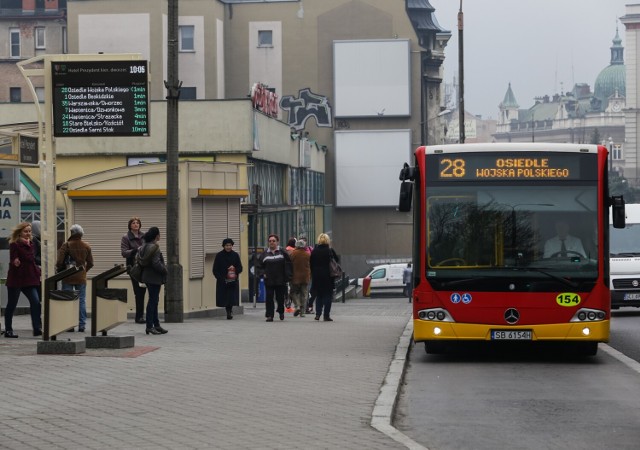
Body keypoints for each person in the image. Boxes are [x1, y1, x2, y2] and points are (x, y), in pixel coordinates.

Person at [3, 222, 42, 338]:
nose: (28, 233)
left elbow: (34, 259)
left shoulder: (32, 243)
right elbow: (16, 258)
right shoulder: (15, 244)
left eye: (29, 231)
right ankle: (8, 330)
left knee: (35, 302)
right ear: (20, 232)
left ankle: (37, 329)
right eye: (26, 231)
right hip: (17, 279)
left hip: (30, 278)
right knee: (11, 305)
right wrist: (15, 261)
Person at [56, 224, 94, 333]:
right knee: (81, 300)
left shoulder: (66, 245)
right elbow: (91, 263)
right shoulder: (86, 246)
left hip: (67, 276)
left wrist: (60, 270)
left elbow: (59, 262)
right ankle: (82, 325)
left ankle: (69, 325)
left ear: (71, 233)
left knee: (68, 300)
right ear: (81, 234)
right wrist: (83, 271)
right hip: (81, 277)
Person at [138, 227, 168, 335]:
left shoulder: (143, 246)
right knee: (153, 301)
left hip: (146, 276)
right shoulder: (155, 248)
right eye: (159, 234)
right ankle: (150, 326)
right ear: (156, 236)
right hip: (154, 277)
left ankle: (157, 325)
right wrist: (165, 269)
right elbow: (156, 263)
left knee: (154, 300)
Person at [256, 233, 292, 322]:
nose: (272, 242)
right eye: (270, 241)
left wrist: (288, 276)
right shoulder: (264, 254)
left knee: (280, 298)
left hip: (281, 280)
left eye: (273, 241)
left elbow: (289, 264)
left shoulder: (282, 252)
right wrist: (263, 273)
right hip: (269, 280)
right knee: (269, 298)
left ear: (277, 242)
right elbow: (259, 266)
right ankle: (269, 315)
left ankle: (281, 311)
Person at [121, 216, 146, 324]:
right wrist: (136, 250)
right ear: (130, 225)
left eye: (137, 223)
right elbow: (124, 253)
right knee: (138, 291)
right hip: (133, 267)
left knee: (143, 290)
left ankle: (142, 315)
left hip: (144, 266)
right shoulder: (126, 237)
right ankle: (138, 316)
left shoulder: (144, 235)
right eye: (133, 223)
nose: (136, 224)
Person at [310, 233, 339, 322]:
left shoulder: (314, 251)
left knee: (319, 295)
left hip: (317, 276)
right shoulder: (330, 250)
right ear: (327, 240)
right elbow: (336, 260)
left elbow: (311, 263)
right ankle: (326, 315)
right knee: (327, 296)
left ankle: (318, 314)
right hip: (328, 276)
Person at [213, 238, 243, 320]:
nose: (228, 247)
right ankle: (228, 311)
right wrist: (220, 278)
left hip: (233, 280)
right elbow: (215, 269)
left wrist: (234, 269)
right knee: (225, 297)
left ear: (232, 246)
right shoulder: (219, 255)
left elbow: (240, 268)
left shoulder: (235, 255)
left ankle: (229, 311)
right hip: (222, 280)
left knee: (231, 297)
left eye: (230, 245)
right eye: (226, 245)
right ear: (223, 246)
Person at [289, 239, 311, 317]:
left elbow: (289, 265)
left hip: (295, 277)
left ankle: (297, 305)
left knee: (293, 292)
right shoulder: (307, 254)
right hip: (305, 277)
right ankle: (302, 312)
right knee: (304, 294)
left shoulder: (293, 254)